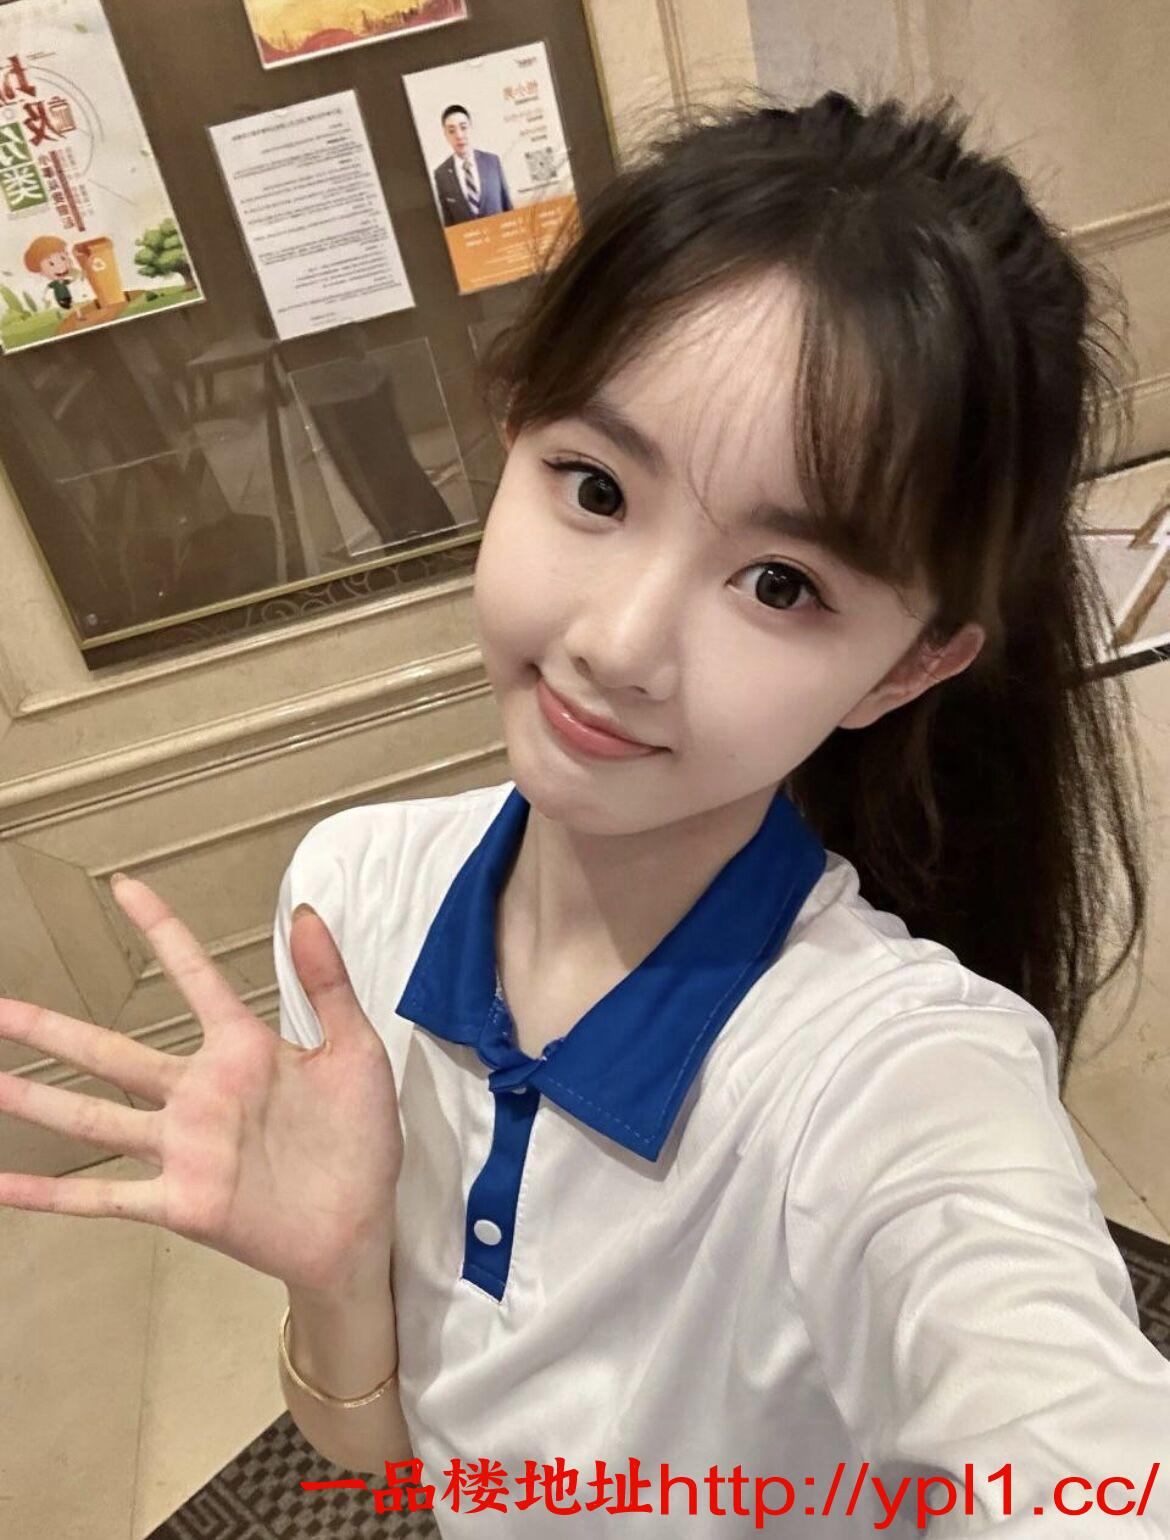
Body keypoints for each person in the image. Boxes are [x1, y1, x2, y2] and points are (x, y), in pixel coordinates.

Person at [1, 86, 1168, 1536]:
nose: (619, 643)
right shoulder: (351, 900)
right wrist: (336, 1271)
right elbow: (393, 1460)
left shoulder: (892, 1085)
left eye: (782, 584)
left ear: (907, 668)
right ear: (511, 435)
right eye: (596, 488)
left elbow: (1080, 1446)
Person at [432, 102, 513, 227]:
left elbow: (508, 207)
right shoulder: (441, 174)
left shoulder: (492, 162)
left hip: (501, 236)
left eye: (463, 127)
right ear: (446, 135)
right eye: (452, 131)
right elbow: (449, 224)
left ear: (471, 128)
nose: (459, 136)